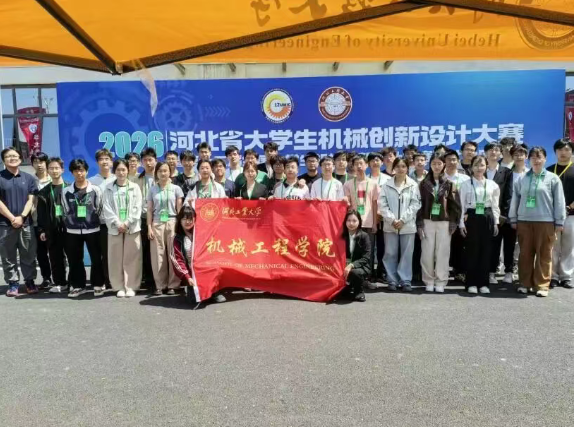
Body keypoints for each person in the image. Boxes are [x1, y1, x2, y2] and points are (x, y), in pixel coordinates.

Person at [510, 147, 566, 297]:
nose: (536, 160)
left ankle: (542, 285)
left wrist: (559, 221)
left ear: (545, 159)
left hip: (545, 222)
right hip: (524, 221)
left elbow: (559, 201)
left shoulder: (553, 178)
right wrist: (513, 218)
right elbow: (515, 199)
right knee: (525, 254)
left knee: (544, 254)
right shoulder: (522, 178)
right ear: (529, 160)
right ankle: (525, 283)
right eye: (533, 157)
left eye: (539, 157)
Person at [417, 153, 461, 293]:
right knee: (427, 253)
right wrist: (419, 223)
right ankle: (428, 280)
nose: (436, 166)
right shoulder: (423, 184)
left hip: (444, 222)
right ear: (430, 165)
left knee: (442, 253)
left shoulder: (449, 184)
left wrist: (453, 222)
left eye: (439, 163)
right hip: (427, 221)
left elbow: (455, 205)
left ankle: (441, 281)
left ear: (444, 165)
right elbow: (418, 205)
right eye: (434, 163)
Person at [62, 159, 105, 298]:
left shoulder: (95, 190)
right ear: (72, 172)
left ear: (86, 171)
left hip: (93, 229)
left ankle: (98, 284)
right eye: (76, 171)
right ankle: (78, 286)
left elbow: (99, 208)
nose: (79, 173)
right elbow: (65, 209)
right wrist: (72, 221)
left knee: (96, 258)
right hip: (72, 231)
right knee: (75, 259)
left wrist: (92, 220)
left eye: (81, 170)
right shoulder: (66, 191)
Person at [459, 155, 500, 294]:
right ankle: (471, 283)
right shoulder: (465, 184)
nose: (479, 168)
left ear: (486, 167)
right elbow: (461, 206)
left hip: (487, 217)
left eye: (482, 165)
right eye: (476, 165)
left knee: (486, 251)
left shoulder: (492, 185)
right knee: (472, 251)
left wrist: (496, 223)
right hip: (471, 217)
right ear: (471, 167)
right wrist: (461, 224)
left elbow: (495, 206)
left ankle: (483, 283)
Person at [0, 147, 38, 296]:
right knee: (8, 255)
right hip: (5, 224)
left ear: (20, 159)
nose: (12, 158)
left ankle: (30, 281)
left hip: (25, 223)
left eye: (15, 156)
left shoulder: (29, 178)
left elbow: (31, 200)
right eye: (8, 156)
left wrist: (22, 217)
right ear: (4, 160)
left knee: (28, 254)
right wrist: (11, 218)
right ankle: (13, 283)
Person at [379, 158, 421, 292]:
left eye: (403, 166)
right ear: (394, 168)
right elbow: (382, 205)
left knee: (407, 254)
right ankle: (392, 280)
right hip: (390, 225)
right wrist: (392, 220)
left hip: (407, 226)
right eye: (398, 166)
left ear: (407, 168)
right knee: (390, 253)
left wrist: (403, 220)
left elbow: (415, 204)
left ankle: (405, 280)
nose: (401, 169)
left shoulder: (413, 185)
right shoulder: (386, 185)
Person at [170, 205, 227, 304]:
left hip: (206, 268)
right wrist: (187, 277)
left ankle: (215, 291)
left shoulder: (202, 233)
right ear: (180, 220)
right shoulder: (177, 238)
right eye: (184, 219)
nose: (187, 222)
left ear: (195, 219)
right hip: (191, 272)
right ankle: (193, 289)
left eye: (190, 219)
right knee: (194, 300)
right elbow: (177, 260)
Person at [102, 159, 143, 298]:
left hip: (132, 228)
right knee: (115, 258)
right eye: (118, 170)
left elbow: (137, 207)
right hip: (115, 228)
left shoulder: (135, 187)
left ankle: (131, 286)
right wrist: (118, 223)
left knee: (132, 258)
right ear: (114, 171)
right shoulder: (108, 188)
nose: (121, 172)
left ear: (128, 170)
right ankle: (118, 286)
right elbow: (107, 208)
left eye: (123, 169)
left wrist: (127, 223)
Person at [147, 161, 184, 295]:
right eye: (160, 171)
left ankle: (173, 285)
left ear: (170, 172)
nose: (163, 173)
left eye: (165, 171)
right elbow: (149, 210)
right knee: (158, 255)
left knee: (173, 254)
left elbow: (179, 210)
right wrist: (149, 227)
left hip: (173, 221)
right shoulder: (152, 189)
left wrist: (180, 227)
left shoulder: (176, 189)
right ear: (156, 173)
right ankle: (160, 285)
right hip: (157, 223)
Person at [344, 155, 379, 286]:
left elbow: (375, 204)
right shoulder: (348, 184)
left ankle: (367, 278)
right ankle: (354, 277)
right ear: (352, 166)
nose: (359, 166)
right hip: (353, 223)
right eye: (356, 164)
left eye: (361, 163)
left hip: (369, 222)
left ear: (366, 165)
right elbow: (346, 204)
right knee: (353, 250)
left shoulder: (373, 183)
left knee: (368, 252)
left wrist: (375, 223)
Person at [37, 157, 69, 294]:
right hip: (52, 229)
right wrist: (42, 230)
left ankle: (75, 282)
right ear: (48, 170)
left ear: (62, 170)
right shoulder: (44, 192)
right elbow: (41, 213)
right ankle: (60, 283)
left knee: (73, 257)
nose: (54, 171)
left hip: (70, 229)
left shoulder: (70, 188)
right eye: (51, 168)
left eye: (57, 168)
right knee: (55, 257)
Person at [484, 142, 514, 286]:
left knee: (508, 244)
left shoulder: (507, 172)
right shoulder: (480, 170)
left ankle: (509, 271)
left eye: (496, 150)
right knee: (492, 245)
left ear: (501, 154)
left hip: (502, 216)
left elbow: (508, 195)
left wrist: (503, 215)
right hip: (485, 214)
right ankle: (491, 272)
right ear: (485, 153)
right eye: (490, 150)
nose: (493, 152)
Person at [547, 138, 574, 289]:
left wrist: (569, 207)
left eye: (567, 149)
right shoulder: (549, 170)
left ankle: (566, 276)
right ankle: (553, 276)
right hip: (552, 216)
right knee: (553, 247)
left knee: (569, 247)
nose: (563, 152)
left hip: (571, 215)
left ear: (572, 152)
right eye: (560, 150)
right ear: (555, 152)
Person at [89, 148, 115, 290]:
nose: (104, 162)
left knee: (110, 254)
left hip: (114, 223)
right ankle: (98, 281)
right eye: (101, 159)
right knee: (96, 254)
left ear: (111, 162)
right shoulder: (91, 181)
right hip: (96, 223)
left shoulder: (117, 179)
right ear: (97, 162)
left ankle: (111, 279)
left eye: (107, 159)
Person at [444, 149, 470, 283]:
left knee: (460, 245)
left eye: (454, 159)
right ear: (444, 161)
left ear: (458, 161)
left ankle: (459, 271)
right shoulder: (440, 177)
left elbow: (469, 198)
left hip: (460, 217)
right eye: (448, 159)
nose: (451, 162)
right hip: (443, 216)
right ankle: (442, 271)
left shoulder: (465, 179)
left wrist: (466, 214)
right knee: (443, 245)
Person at [136, 148, 157, 293]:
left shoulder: (162, 175)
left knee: (159, 250)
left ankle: (159, 279)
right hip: (143, 218)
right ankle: (148, 279)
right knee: (145, 250)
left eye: (150, 159)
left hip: (159, 218)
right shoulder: (138, 179)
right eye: (145, 160)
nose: (148, 163)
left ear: (155, 160)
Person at [31, 151, 53, 289]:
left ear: (46, 163)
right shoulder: (30, 181)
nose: (39, 165)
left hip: (52, 223)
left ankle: (60, 278)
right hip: (35, 222)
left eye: (42, 162)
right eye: (35, 162)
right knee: (41, 253)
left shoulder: (54, 179)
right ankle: (46, 278)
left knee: (57, 252)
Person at [367, 152, 389, 280]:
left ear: (382, 162)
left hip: (384, 217)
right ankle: (369, 272)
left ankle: (382, 271)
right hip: (369, 217)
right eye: (372, 160)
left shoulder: (388, 179)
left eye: (377, 160)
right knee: (369, 246)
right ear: (368, 164)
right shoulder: (365, 179)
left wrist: (381, 212)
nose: (375, 163)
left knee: (383, 246)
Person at [342, 209, 372, 302]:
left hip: (360, 266)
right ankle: (347, 287)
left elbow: (366, 257)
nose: (351, 223)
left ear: (359, 222)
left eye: (354, 221)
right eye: (349, 220)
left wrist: (352, 265)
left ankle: (359, 291)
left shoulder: (364, 236)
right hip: (344, 265)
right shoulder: (341, 236)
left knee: (355, 272)